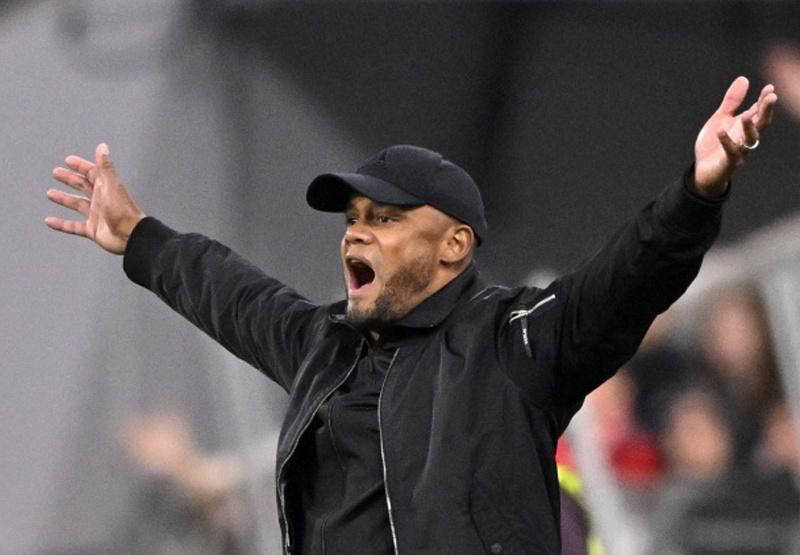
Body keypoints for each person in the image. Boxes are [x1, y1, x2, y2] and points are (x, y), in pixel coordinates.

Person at [45, 76, 777, 554]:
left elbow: (628, 277)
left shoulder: (512, 341)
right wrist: (138, 235)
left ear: (455, 244)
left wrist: (697, 192)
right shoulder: (323, 348)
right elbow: (229, 291)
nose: (356, 234)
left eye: (386, 218)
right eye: (353, 219)